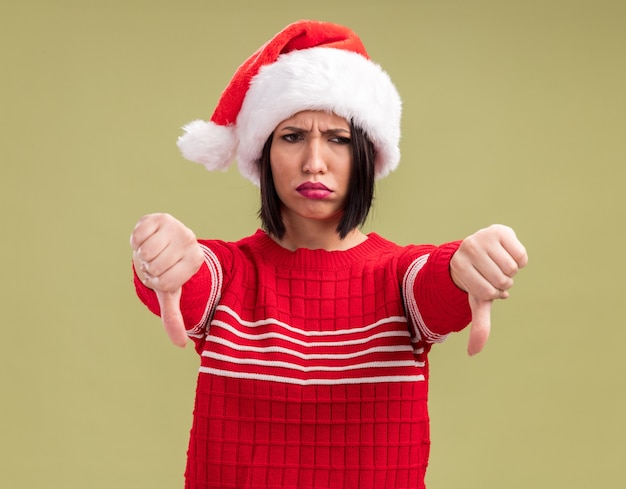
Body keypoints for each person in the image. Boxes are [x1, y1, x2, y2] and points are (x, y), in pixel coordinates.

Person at [130, 20, 528, 489]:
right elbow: (193, 279)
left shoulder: (400, 276)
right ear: (263, 154)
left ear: (366, 155)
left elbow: (436, 283)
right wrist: (160, 256)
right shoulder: (229, 272)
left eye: (338, 139)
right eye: (292, 136)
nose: (313, 162)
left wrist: (466, 266)